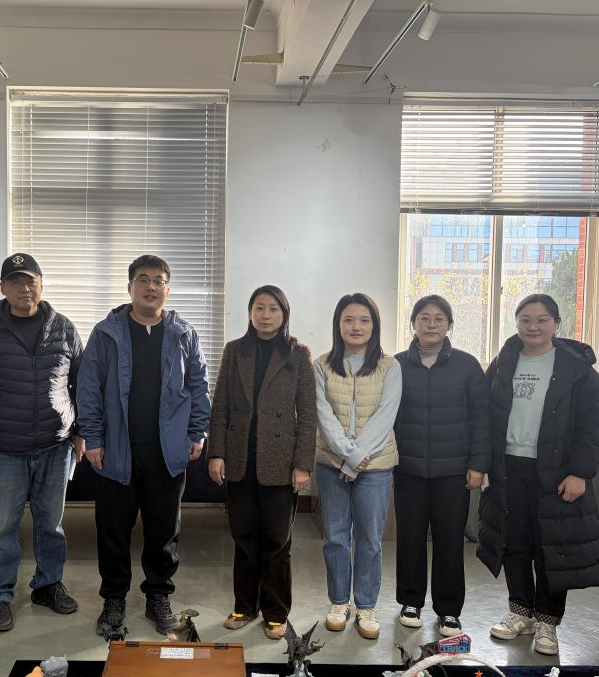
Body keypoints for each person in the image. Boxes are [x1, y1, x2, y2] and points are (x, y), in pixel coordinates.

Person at [77, 254, 210, 640]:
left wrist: (197, 433)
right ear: (130, 287)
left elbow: (199, 386)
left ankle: (158, 597)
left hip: (167, 454)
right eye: (143, 279)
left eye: (158, 280)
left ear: (168, 288)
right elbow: (88, 388)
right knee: (113, 531)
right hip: (116, 452)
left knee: (164, 532)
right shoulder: (107, 333)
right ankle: (113, 600)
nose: (151, 286)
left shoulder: (184, 334)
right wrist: (94, 438)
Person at [0, 253, 85, 633]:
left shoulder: (63, 328)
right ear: (3, 288)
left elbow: (82, 383)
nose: (24, 288)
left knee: (51, 525)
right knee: (2, 528)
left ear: (41, 285)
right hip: (6, 449)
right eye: (15, 281)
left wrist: (81, 432)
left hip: (55, 446)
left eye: (30, 280)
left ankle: (48, 585)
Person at [478, 293, 599, 656]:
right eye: (525, 320)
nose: (533, 327)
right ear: (516, 323)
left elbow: (591, 425)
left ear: (556, 324)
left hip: (556, 472)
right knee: (514, 542)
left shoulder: (577, 369)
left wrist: (580, 473)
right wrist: (484, 463)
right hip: (508, 467)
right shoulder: (503, 362)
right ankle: (521, 611)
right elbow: (485, 416)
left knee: (552, 547)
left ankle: (547, 621)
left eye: (542, 320)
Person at [207, 285, 316, 640]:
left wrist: (303, 463)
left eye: (273, 308)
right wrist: (217, 453)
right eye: (259, 307)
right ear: (250, 312)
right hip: (241, 459)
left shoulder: (298, 353)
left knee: (276, 540)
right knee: (243, 536)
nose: (265, 315)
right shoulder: (235, 350)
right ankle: (244, 605)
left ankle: (275, 611)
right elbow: (220, 406)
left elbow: (308, 413)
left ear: (284, 314)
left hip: (281, 462)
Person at [392, 295, 490, 636]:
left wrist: (478, 464)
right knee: (410, 538)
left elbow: (481, 418)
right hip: (408, 469)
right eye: (424, 317)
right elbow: (386, 417)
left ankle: (449, 610)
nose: (431, 324)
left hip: (454, 472)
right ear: (413, 324)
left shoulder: (467, 365)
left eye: (438, 318)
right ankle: (410, 601)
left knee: (450, 540)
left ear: (449, 325)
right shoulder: (396, 365)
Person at [314, 293, 401, 640]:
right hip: (331, 464)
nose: (356, 326)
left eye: (364, 320)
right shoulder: (321, 365)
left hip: (375, 466)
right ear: (338, 324)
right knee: (335, 537)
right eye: (348, 319)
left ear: (374, 325)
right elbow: (323, 415)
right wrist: (348, 456)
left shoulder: (389, 367)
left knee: (369, 539)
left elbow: (386, 416)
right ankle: (339, 603)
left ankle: (366, 606)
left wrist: (356, 459)